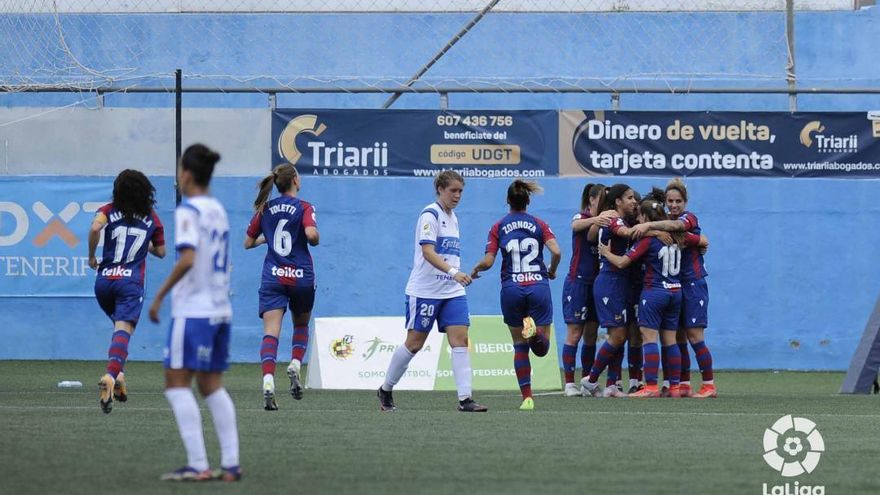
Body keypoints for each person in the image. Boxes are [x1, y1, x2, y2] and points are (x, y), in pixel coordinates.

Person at [148, 144, 241, 481]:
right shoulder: (218, 209)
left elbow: (188, 258)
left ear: (186, 174)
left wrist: (159, 296)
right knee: (211, 384)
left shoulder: (188, 210)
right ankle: (230, 464)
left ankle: (198, 463)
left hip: (193, 311)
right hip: (220, 309)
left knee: (175, 382)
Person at [377, 171, 487, 413]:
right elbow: (428, 252)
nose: (457, 195)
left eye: (461, 191)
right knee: (414, 344)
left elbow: (449, 254)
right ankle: (386, 388)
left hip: (452, 291)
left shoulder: (453, 217)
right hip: (425, 291)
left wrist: (458, 276)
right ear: (440, 189)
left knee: (461, 340)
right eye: (453, 191)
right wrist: (453, 272)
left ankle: (465, 399)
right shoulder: (430, 214)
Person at [598, 196, 708, 398]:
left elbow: (622, 262)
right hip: (675, 291)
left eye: (641, 216)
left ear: (646, 218)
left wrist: (606, 253)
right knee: (670, 340)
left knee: (649, 339)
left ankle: (650, 386)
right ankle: (675, 387)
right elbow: (701, 240)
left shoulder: (647, 240)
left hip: (654, 292)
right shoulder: (678, 236)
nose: (638, 220)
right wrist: (702, 245)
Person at [470, 180, 562, 410]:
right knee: (541, 349)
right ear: (528, 201)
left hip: (511, 289)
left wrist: (476, 268)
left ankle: (527, 398)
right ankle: (535, 333)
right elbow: (557, 251)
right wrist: (551, 270)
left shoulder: (498, 226)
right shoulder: (539, 224)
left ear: (507, 201)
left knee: (520, 346)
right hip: (538, 286)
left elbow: (489, 261)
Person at [88, 169, 166, 414]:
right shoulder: (152, 219)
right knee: (124, 331)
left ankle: (119, 376)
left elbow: (95, 229)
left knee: (119, 331)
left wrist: (91, 257)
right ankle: (110, 377)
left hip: (104, 282)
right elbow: (161, 252)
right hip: (130, 283)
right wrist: (144, 245)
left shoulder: (107, 210)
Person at [631, 178, 716, 398]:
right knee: (678, 337)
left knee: (695, 336)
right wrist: (654, 230)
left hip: (694, 283)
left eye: (678, 201)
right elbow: (672, 231)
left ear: (685, 202)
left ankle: (709, 384)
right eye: (670, 201)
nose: (674, 205)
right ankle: (683, 383)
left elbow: (682, 230)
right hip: (675, 286)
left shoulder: (688, 218)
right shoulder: (665, 223)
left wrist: (649, 227)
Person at [244, 163, 319, 411]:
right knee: (301, 324)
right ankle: (295, 363)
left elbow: (247, 242)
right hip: (301, 277)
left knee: (271, 332)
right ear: (295, 180)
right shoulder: (305, 207)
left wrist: (267, 236)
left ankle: (268, 380)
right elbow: (311, 235)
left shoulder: (265, 209)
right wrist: (314, 236)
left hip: (273, 277)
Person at [580, 184, 638, 398]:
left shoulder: (619, 219)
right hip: (609, 283)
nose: (634, 201)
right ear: (618, 202)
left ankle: (612, 385)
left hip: (618, 283)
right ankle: (591, 379)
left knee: (620, 335)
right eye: (629, 197)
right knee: (618, 335)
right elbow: (626, 233)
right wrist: (657, 228)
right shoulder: (614, 219)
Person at [560, 184, 615, 397]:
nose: (605, 203)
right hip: (578, 282)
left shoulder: (607, 221)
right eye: (602, 199)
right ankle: (569, 383)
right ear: (592, 200)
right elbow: (575, 226)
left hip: (598, 284)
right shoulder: (582, 216)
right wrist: (596, 219)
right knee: (574, 333)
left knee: (591, 335)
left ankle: (587, 382)